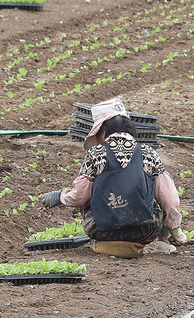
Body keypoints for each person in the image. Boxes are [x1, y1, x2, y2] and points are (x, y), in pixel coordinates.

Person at [39, 97, 186, 258]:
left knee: (90, 186)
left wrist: (60, 197)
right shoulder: (149, 153)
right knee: (162, 181)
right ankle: (163, 242)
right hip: (144, 231)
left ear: (102, 131)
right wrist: (175, 228)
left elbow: (80, 197)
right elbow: (171, 201)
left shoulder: (95, 153)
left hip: (101, 230)